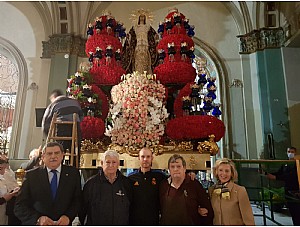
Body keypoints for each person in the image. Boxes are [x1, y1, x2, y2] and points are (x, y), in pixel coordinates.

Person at [14, 142, 82, 225]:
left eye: (57, 153)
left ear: (62, 155)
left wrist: (68, 217)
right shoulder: (31, 176)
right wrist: (38, 219)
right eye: (49, 154)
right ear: (43, 157)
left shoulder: (73, 174)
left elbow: (77, 200)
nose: (53, 156)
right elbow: (19, 206)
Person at [79, 149, 133, 225]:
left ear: (118, 164)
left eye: (114, 162)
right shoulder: (91, 184)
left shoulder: (127, 183)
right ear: (102, 163)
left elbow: (131, 209)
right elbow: (82, 210)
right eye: (107, 162)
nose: (111, 165)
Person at [159, 154, 213, 225]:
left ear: (184, 168)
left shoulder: (194, 184)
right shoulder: (163, 185)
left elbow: (207, 209)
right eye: (172, 167)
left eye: (178, 166)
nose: (175, 169)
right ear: (169, 170)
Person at [208, 158, 255, 225]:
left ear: (232, 173)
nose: (223, 174)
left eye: (227, 171)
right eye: (220, 170)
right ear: (216, 172)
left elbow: (248, 218)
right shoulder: (212, 190)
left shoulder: (240, 191)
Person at [128, 147, 166, 225]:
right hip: (134, 221)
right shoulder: (131, 178)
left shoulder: (160, 177)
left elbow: (174, 180)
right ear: (138, 158)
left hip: (153, 220)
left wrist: (190, 174)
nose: (145, 159)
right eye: (142, 156)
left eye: (148, 156)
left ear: (152, 158)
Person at [42, 89, 83, 157]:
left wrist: (48, 136)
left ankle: (59, 165)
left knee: (59, 150)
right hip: (76, 131)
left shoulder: (54, 104)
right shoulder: (75, 102)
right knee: (76, 151)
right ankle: (74, 166)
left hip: (62, 130)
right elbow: (81, 117)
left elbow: (45, 122)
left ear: (54, 97)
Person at [265, 147, 300, 225]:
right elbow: (280, 172)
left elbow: (291, 176)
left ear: (295, 153)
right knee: (292, 211)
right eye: (289, 151)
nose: (290, 153)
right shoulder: (285, 163)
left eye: (292, 151)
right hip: (287, 190)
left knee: (297, 211)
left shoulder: (297, 163)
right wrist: (268, 174)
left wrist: (276, 177)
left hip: (296, 190)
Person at [122, 9, 158, 74]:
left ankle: (146, 77)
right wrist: (128, 37)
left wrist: (156, 37)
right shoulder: (135, 27)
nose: (141, 18)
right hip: (138, 47)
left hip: (146, 46)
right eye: (140, 17)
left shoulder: (148, 27)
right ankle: (137, 76)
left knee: (146, 61)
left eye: (143, 17)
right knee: (137, 61)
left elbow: (153, 35)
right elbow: (130, 35)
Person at [0, 158, 20, 225]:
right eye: (0, 169)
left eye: (4, 169)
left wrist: (12, 193)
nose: (3, 172)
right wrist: (3, 199)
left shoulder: (4, 177)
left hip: (4, 212)